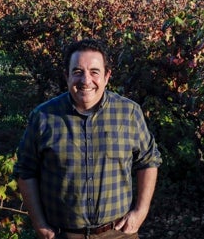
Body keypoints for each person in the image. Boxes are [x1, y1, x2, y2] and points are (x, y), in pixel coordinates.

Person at [14, 38, 162, 239]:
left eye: (94, 72)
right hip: (62, 235)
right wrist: (38, 223)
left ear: (107, 76)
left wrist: (141, 211)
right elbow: (25, 171)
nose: (86, 80)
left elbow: (148, 160)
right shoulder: (43, 117)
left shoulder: (128, 113)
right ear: (66, 76)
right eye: (77, 72)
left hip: (118, 233)